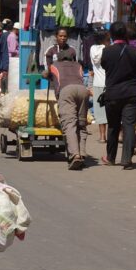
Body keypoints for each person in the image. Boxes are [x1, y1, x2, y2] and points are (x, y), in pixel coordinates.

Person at [100, 22, 136, 167]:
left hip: (113, 94)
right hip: (132, 93)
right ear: (125, 34)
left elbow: (104, 65)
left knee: (113, 126)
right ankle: (126, 159)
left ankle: (110, 157)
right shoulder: (135, 52)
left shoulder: (107, 51)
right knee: (129, 126)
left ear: (112, 35)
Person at [47, 28, 90, 169]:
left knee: (70, 124)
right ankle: (82, 153)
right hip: (83, 90)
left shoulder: (54, 65)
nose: (63, 38)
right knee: (81, 124)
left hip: (67, 92)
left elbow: (45, 73)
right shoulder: (78, 65)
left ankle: (75, 155)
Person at [90, 30, 110, 144]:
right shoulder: (108, 49)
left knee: (100, 111)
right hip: (109, 83)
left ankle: (102, 136)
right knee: (111, 110)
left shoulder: (92, 49)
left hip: (98, 83)